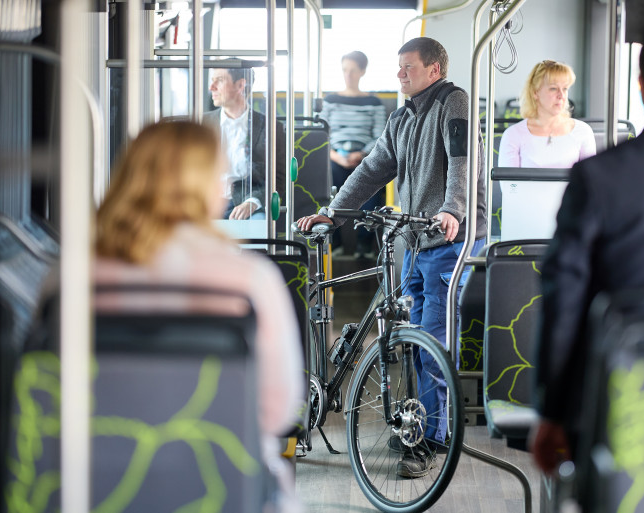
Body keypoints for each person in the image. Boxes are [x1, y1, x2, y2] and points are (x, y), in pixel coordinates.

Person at [297, 37, 487, 478]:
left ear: (434, 69)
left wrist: (452, 209)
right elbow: (372, 168)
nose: (400, 74)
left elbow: (463, 162)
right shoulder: (402, 117)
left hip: (448, 240)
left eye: (409, 67)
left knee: (432, 343)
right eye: (398, 67)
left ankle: (431, 440)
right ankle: (423, 428)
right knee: (415, 341)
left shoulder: (454, 103)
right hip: (415, 242)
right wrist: (333, 213)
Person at [94, 121, 303, 510]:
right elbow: (278, 407)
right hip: (221, 477)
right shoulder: (249, 280)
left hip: (92, 476)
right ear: (204, 185)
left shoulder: (69, 277)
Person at [530, 22, 644, 475]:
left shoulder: (599, 175)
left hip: (622, 378)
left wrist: (551, 409)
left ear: (641, 86)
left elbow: (564, 294)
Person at [321, 51, 387, 259]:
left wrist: (361, 154)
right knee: (327, 181)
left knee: (373, 182)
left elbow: (380, 136)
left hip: (364, 157)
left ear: (362, 72)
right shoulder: (330, 100)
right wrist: (336, 156)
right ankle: (334, 243)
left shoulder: (374, 103)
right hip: (335, 157)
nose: (348, 75)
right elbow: (321, 134)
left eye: (353, 70)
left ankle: (364, 245)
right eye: (344, 70)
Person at [204, 68, 286, 220]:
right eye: (212, 81)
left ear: (240, 85)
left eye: (219, 81)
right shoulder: (201, 123)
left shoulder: (270, 127)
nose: (212, 87)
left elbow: (279, 178)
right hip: (205, 202)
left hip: (247, 202)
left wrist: (253, 202)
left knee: (258, 225)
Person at [498, 60, 596, 168]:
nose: (561, 95)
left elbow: (590, 177)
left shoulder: (583, 131)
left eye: (565, 89)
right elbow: (508, 179)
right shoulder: (513, 135)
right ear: (535, 92)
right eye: (553, 88)